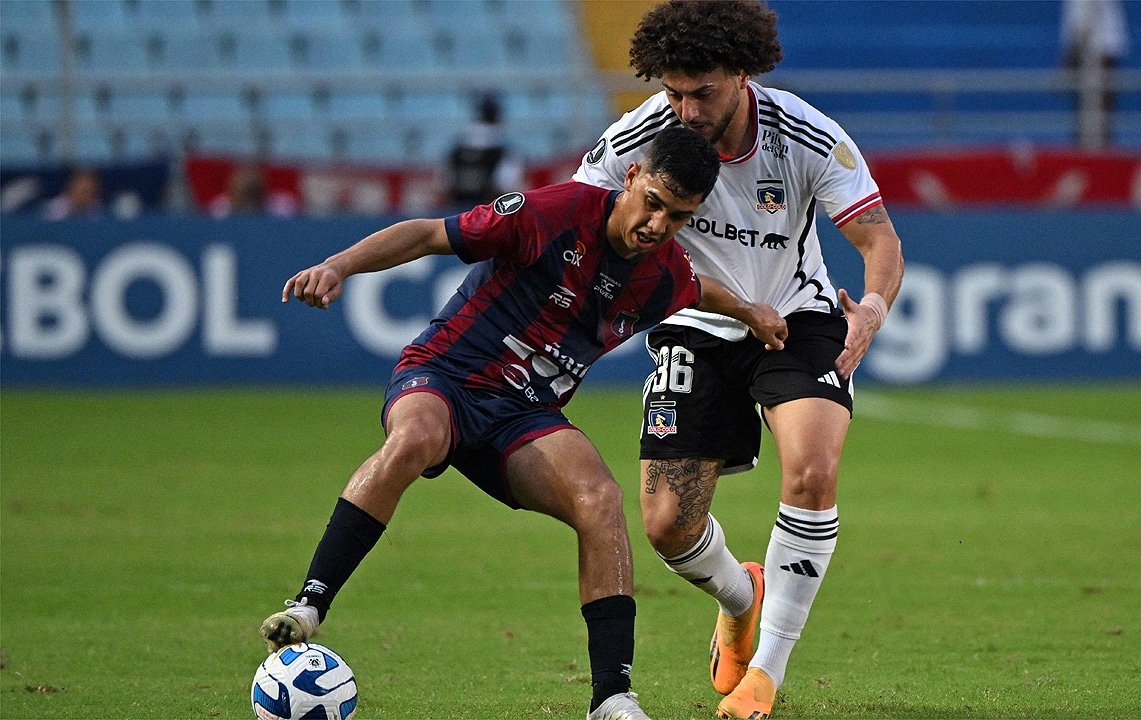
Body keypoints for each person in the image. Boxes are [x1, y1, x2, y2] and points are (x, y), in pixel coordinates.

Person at [261, 127, 788, 720]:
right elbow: (431, 234)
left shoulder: (662, 272)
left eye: (678, 216)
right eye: (654, 202)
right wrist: (339, 266)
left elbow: (700, 290)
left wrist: (750, 311)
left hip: (524, 417)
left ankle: (611, 697)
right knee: (416, 438)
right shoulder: (557, 212)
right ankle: (310, 603)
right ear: (633, 176)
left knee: (601, 499)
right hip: (448, 376)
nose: (658, 225)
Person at [572, 2, 905, 718]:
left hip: (798, 319)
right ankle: (742, 594)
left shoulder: (807, 135)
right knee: (666, 525)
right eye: (673, 92)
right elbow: (581, 221)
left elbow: (879, 241)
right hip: (692, 324)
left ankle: (766, 673)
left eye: (704, 92)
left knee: (813, 472)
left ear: (744, 74)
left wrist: (871, 310)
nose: (686, 110)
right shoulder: (637, 138)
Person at [1060, 0, 1128, 148]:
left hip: (1097, 51)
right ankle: (1092, 149)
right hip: (1095, 49)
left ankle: (1095, 154)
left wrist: (1071, 56)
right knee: (1091, 113)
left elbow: (1085, 19)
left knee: (1097, 111)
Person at [445, 93, 524, 209]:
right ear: (498, 116)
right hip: (488, 213)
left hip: (456, 214)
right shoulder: (504, 149)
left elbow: (445, 183)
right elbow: (507, 185)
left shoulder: (458, 146)